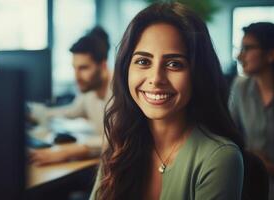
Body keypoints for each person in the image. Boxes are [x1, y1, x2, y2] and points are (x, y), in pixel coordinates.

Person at [90, 2, 244, 199]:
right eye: (143, 61)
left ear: (198, 74)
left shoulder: (220, 157)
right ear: (126, 68)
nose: (156, 79)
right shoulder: (120, 144)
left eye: (174, 64)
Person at [30, 26, 112, 166]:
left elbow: (115, 140)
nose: (76, 77)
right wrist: (34, 113)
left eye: (83, 68)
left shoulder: (122, 90)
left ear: (103, 66)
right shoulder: (89, 91)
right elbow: (71, 111)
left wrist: (65, 152)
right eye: (74, 68)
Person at [230, 22, 274, 199]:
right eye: (240, 48)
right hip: (250, 189)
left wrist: (269, 166)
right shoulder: (240, 87)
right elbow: (230, 133)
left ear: (271, 54)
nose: (239, 56)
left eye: (247, 48)